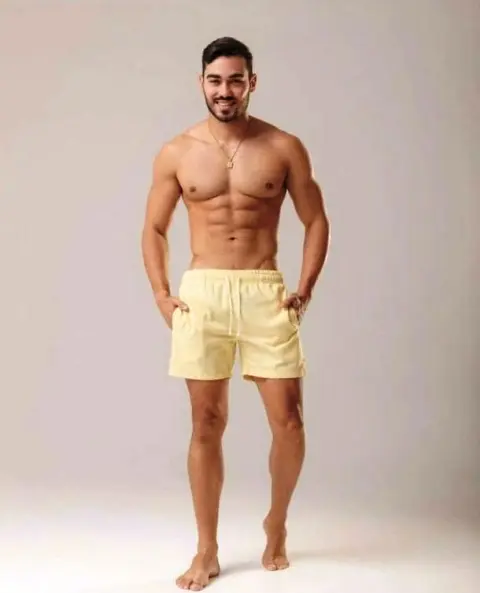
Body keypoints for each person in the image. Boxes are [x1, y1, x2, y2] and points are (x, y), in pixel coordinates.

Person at [141, 36, 330, 591]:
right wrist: (161, 292)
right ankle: (207, 549)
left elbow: (316, 219)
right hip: (202, 291)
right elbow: (154, 228)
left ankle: (277, 522)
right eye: (215, 80)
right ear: (201, 82)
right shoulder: (176, 151)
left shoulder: (284, 146)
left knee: (289, 422)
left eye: (235, 80)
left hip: (264, 289)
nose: (225, 90)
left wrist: (304, 287)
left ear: (252, 82)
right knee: (206, 423)